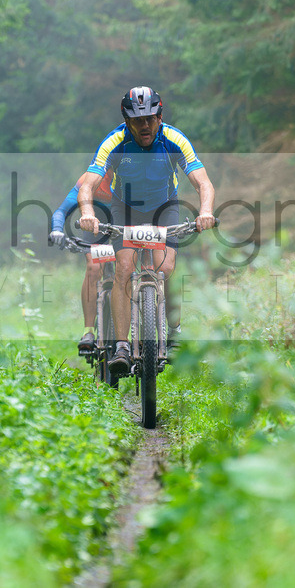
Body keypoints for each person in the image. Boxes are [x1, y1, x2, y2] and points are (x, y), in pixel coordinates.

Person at [78, 86, 216, 374]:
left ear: (160, 116)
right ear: (127, 121)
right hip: (125, 207)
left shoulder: (174, 140)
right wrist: (88, 213)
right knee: (123, 269)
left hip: (164, 207)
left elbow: (203, 183)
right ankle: (122, 346)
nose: (144, 126)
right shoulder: (115, 142)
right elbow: (88, 185)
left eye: (150, 119)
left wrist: (205, 211)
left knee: (165, 268)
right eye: (137, 120)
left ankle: (175, 331)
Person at [49, 171, 113, 353]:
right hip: (94, 226)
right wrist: (56, 230)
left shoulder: (131, 174)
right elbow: (61, 211)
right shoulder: (88, 179)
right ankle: (89, 331)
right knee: (94, 268)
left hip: (122, 224)